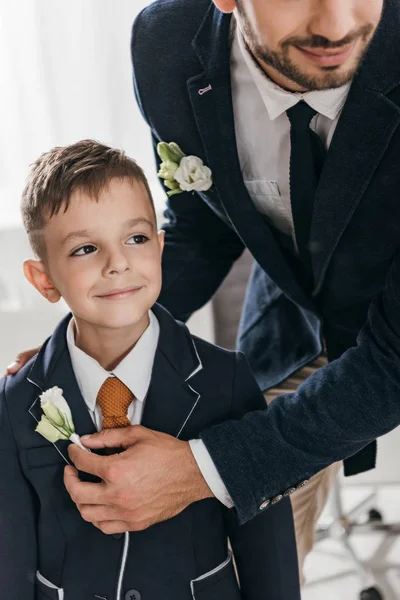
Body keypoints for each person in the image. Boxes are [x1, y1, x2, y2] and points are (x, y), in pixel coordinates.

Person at [7, 0, 400, 583]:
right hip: (294, 323)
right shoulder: (169, 43)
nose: (336, 25)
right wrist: (99, 340)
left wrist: (200, 468)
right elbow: (202, 221)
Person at [0, 139, 301, 600]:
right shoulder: (15, 398)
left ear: (160, 249)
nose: (118, 263)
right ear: (44, 279)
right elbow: (11, 555)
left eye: (135, 239)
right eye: (85, 249)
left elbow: (268, 548)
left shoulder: (227, 380)